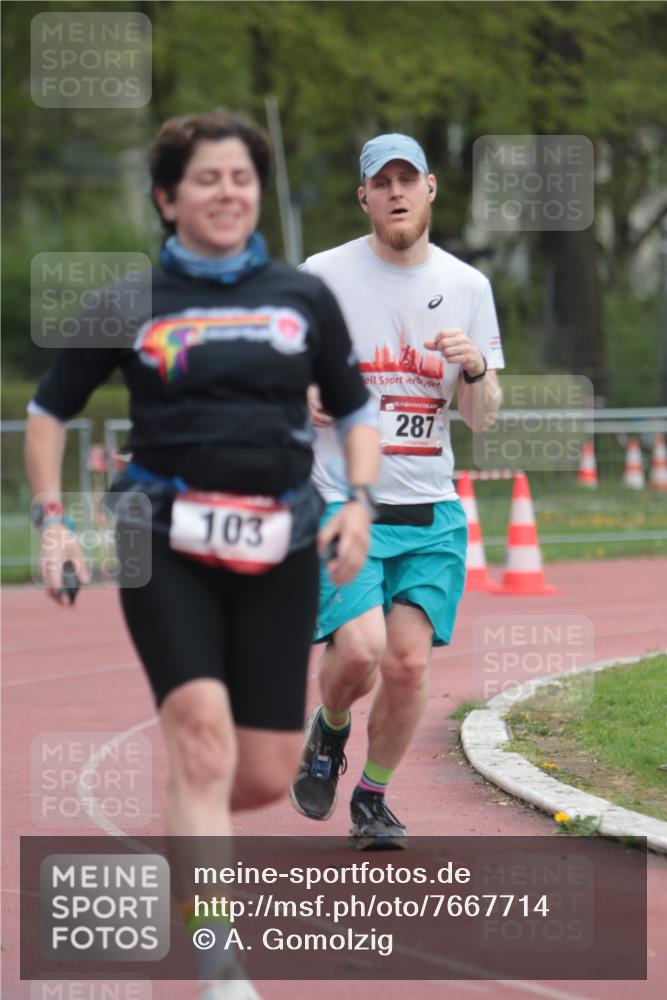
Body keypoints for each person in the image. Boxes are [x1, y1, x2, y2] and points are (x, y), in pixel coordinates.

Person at [25, 111, 379, 1000]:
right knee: (200, 741)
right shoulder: (130, 299)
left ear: (258, 194)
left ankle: (198, 821)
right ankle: (217, 956)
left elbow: (358, 411)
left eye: (241, 179)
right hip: (161, 534)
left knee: (254, 774)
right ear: (166, 197)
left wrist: (360, 505)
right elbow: (46, 412)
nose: (228, 193)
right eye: (208, 179)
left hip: (282, 541)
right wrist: (52, 522)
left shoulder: (301, 294)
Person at [290, 133, 504, 850]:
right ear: (363, 196)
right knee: (360, 651)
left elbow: (481, 417)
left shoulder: (468, 287)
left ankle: (372, 799)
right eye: (381, 182)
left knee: (408, 664)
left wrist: (475, 371)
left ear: (430, 188)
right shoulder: (322, 275)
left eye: (406, 179)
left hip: (431, 508)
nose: (395, 192)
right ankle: (330, 730)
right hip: (340, 499)